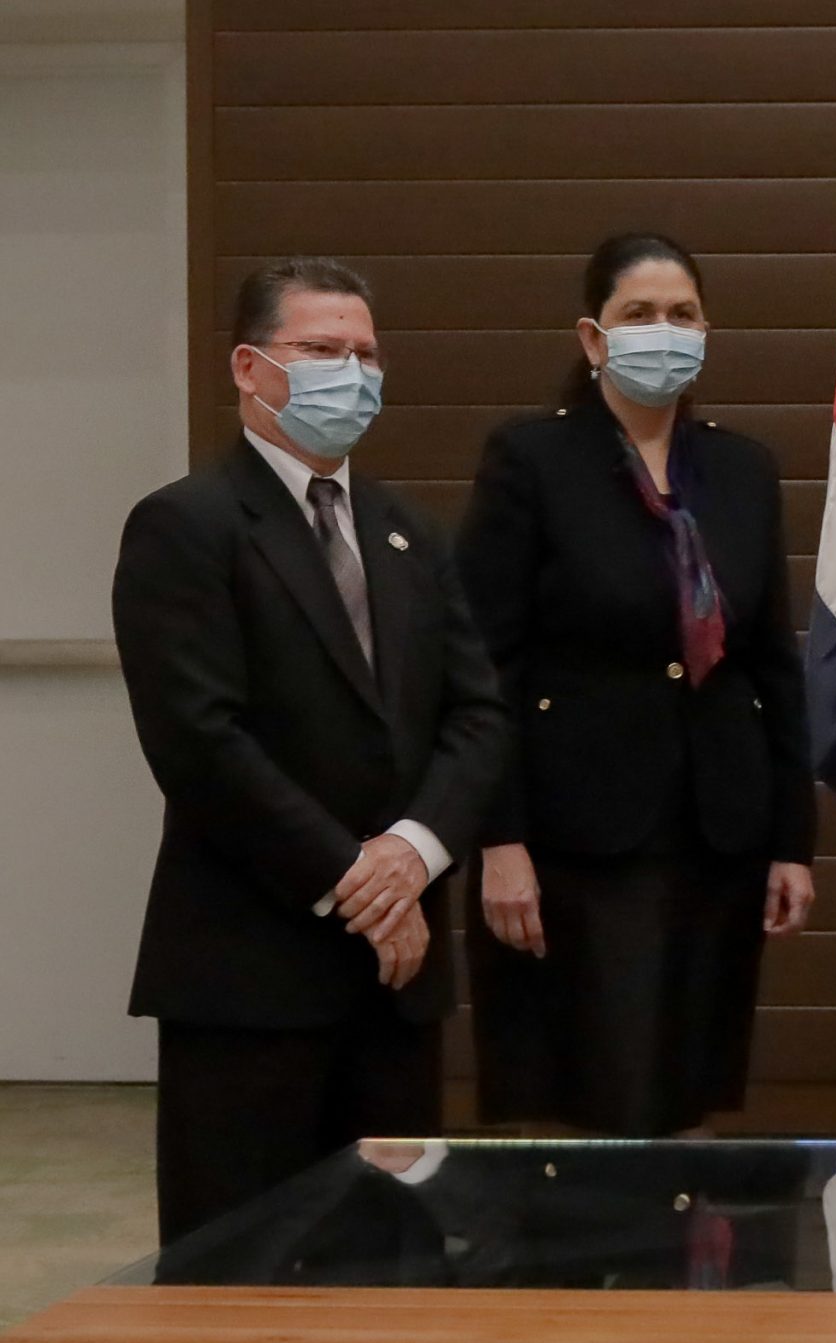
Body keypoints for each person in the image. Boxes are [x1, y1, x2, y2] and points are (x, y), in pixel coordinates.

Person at [110, 258, 507, 1245]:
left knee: (393, 1259)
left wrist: (413, 852)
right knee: (242, 1264)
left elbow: (478, 716)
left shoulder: (408, 532)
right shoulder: (186, 525)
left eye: (366, 354)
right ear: (250, 367)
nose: (352, 374)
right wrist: (355, 880)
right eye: (323, 350)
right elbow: (200, 741)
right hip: (252, 977)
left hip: (397, 981)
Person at [456, 232, 815, 1138]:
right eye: (640, 314)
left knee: (689, 1086)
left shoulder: (741, 468)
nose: (665, 330)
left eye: (683, 314)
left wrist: (792, 841)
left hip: (717, 828)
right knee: (601, 1090)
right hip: (578, 835)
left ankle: (683, 1231)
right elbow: (484, 665)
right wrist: (498, 838)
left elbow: (771, 660)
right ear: (593, 337)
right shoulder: (532, 460)